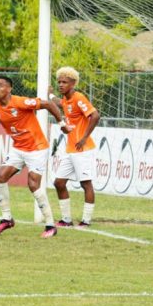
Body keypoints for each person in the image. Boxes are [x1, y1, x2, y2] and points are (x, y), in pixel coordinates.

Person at [0, 76, 69, 238]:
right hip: (18, 149)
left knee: (33, 184)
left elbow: (49, 104)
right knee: (0, 177)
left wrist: (62, 124)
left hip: (37, 148)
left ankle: (50, 225)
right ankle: (7, 219)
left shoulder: (21, 102)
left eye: (0, 86)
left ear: (9, 89)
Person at [53, 67, 101, 228]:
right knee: (59, 183)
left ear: (73, 83)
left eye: (64, 82)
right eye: (59, 82)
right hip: (70, 149)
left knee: (86, 184)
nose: (61, 85)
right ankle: (66, 220)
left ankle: (86, 221)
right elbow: (59, 103)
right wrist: (49, 94)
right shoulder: (66, 100)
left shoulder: (78, 97)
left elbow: (95, 115)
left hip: (83, 149)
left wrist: (84, 137)